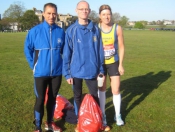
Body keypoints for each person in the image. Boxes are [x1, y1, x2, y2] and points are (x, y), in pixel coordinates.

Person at [62, 0, 104, 131]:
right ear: (76, 11)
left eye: (86, 9)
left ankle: (97, 122)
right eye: (81, 9)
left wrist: (101, 69)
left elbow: (100, 51)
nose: (84, 11)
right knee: (77, 97)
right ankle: (80, 122)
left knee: (94, 97)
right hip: (76, 71)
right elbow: (66, 53)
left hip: (92, 70)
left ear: (89, 11)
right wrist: (67, 73)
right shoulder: (71, 31)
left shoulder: (96, 30)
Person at [24, 3, 65, 132]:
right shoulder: (35, 31)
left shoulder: (60, 32)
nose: (51, 16)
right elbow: (27, 49)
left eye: (54, 13)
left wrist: (63, 66)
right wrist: (33, 65)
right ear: (43, 14)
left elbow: (65, 51)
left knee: (52, 99)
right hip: (40, 73)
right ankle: (38, 126)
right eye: (49, 13)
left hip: (56, 73)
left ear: (56, 15)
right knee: (40, 99)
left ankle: (50, 122)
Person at [98, 4, 125, 129]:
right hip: (101, 65)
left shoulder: (117, 28)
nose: (106, 16)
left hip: (114, 63)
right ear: (100, 16)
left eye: (108, 14)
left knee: (115, 90)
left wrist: (120, 65)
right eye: (104, 14)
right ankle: (102, 115)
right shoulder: (96, 28)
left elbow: (121, 46)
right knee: (102, 90)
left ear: (111, 15)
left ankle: (117, 115)